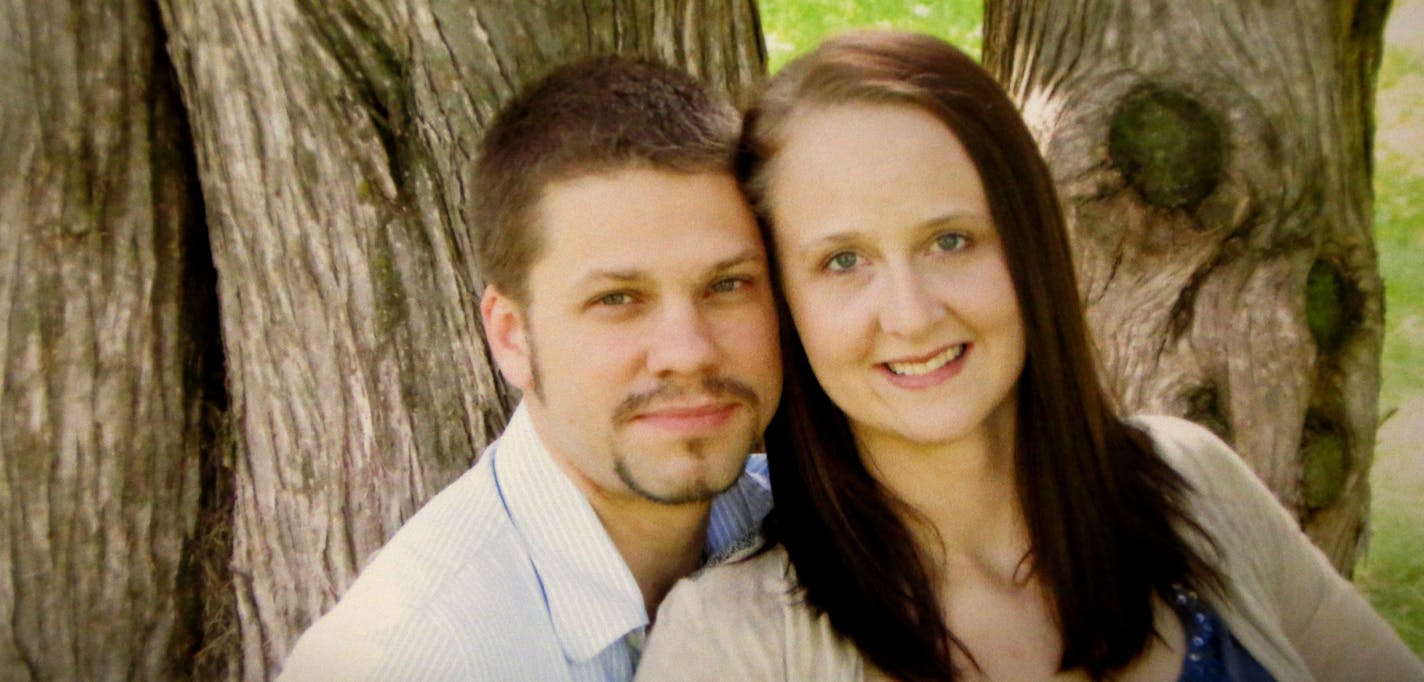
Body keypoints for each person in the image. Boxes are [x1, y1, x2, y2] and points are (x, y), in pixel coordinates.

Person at [636, 30, 1424, 682]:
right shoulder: (731, 644)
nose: (911, 314)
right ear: (785, 303)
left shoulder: (1192, 485)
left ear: (1027, 248)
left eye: (950, 241)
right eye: (843, 261)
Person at [278, 54, 782, 681]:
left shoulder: (802, 528)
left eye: (727, 285)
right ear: (512, 336)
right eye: (617, 299)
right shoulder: (402, 658)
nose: (689, 350)